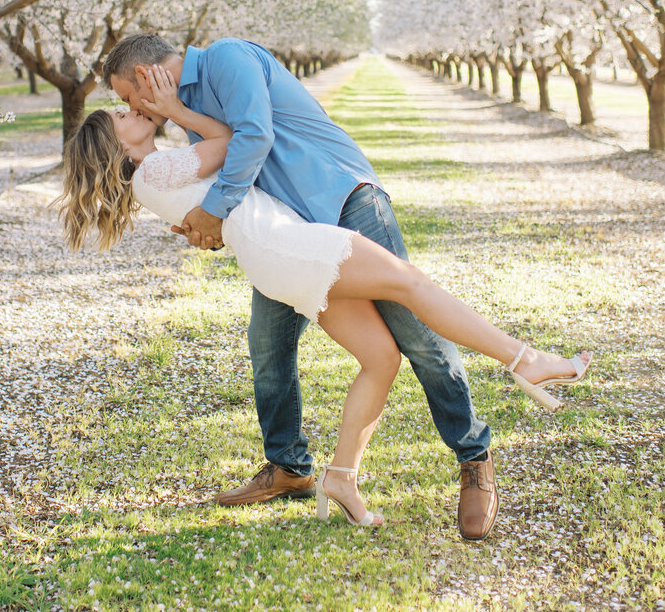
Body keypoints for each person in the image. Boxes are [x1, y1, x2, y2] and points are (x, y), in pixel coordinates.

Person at [59, 54, 592, 531]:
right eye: (125, 111)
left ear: (146, 71)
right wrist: (191, 163)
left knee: (384, 357)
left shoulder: (220, 70)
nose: (132, 106)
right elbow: (235, 151)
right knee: (410, 288)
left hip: (306, 226)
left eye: (126, 98)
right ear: (117, 145)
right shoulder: (158, 163)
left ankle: (346, 476)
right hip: (289, 245)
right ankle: (525, 359)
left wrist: (205, 212)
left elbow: (240, 153)